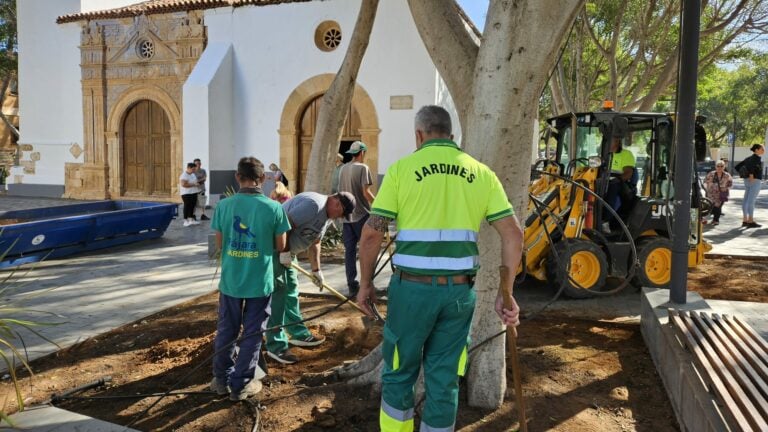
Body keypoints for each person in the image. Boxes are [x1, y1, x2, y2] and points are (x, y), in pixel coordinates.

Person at [356, 105, 523, 432]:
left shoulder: (402, 170)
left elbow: (372, 233)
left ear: (419, 135)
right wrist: (506, 293)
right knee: (445, 379)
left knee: (399, 372)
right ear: (451, 135)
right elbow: (513, 235)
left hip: (411, 292)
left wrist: (365, 284)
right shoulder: (481, 173)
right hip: (459, 294)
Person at [209, 157, 290, 401]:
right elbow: (281, 245)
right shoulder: (273, 208)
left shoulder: (224, 206)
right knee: (253, 333)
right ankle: (241, 385)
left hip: (231, 281)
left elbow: (220, 244)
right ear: (263, 178)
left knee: (227, 329)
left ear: (238, 177)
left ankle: (221, 380)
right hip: (259, 282)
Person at [265, 191, 356, 364]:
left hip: (288, 253)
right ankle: (276, 345)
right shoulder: (314, 205)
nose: (340, 218)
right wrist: (283, 252)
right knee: (278, 295)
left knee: (291, 291)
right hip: (275, 249)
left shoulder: (326, 217)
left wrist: (316, 270)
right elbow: (284, 225)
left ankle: (297, 333)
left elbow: (315, 242)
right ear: (337, 204)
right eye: (342, 214)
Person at [338, 141, 376, 298]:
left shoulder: (343, 169)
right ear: (362, 153)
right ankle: (368, 283)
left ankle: (352, 285)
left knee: (350, 252)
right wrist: (379, 205)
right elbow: (366, 192)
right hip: (362, 215)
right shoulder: (363, 168)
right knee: (367, 250)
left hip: (347, 217)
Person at [603, 137, 636, 232]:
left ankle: (606, 221)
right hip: (604, 181)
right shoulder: (604, 155)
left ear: (617, 141)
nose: (606, 142)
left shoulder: (626, 154)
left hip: (621, 182)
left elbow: (628, 173)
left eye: (609, 140)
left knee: (612, 187)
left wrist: (617, 179)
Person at [735, 144, 765, 228]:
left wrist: (746, 175)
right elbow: (751, 166)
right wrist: (751, 174)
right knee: (751, 201)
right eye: (762, 149)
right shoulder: (756, 158)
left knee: (746, 200)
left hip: (747, 180)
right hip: (754, 180)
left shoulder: (748, 158)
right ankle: (750, 220)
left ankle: (745, 220)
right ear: (756, 150)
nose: (763, 150)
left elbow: (737, 167)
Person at [703, 160, 733, 226]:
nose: (719, 167)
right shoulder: (711, 174)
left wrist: (726, 188)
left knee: (718, 207)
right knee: (712, 207)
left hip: (721, 194)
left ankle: (716, 220)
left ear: (724, 167)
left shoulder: (727, 175)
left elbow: (730, 184)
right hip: (711, 194)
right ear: (715, 167)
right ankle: (714, 219)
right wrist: (707, 189)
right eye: (718, 166)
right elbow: (705, 181)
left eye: (721, 166)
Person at [179, 162, 201, 227]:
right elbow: (183, 184)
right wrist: (194, 184)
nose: (194, 170)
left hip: (193, 192)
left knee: (192, 206)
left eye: (194, 169)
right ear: (188, 168)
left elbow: (195, 182)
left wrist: (198, 183)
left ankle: (191, 219)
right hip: (186, 193)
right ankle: (185, 220)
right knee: (187, 206)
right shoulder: (184, 175)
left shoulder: (193, 174)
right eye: (193, 169)